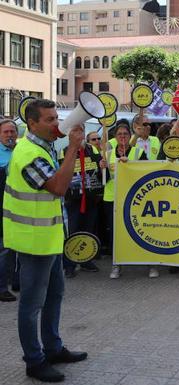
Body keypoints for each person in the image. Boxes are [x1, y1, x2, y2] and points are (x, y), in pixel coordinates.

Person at [3, 99, 87, 382]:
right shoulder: (28, 153)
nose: (56, 124)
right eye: (50, 120)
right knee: (31, 304)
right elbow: (59, 187)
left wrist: (68, 145)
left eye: (56, 118)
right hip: (34, 242)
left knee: (54, 296)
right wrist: (74, 147)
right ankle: (34, 361)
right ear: (32, 124)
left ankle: (52, 348)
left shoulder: (43, 146)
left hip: (48, 239)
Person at [58, 130, 108, 278]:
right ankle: (69, 265)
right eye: (76, 133)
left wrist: (102, 166)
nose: (79, 137)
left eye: (81, 133)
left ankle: (86, 260)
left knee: (88, 230)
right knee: (72, 232)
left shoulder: (92, 149)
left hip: (91, 199)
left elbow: (101, 171)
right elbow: (61, 172)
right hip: (73, 200)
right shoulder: (65, 151)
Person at [106, 123, 151, 279]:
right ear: (115, 137)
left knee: (142, 230)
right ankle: (116, 264)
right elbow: (102, 179)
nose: (123, 137)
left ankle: (149, 263)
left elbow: (147, 173)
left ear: (130, 135)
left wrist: (131, 166)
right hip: (113, 199)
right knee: (115, 233)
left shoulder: (138, 152)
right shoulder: (108, 154)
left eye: (125, 134)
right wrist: (102, 168)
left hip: (135, 199)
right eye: (119, 134)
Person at [0, 119, 18, 302]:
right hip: (2, 207)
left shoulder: (21, 151)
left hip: (18, 207)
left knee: (14, 247)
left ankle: (15, 281)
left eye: (12, 132)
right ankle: (2, 287)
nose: (10, 135)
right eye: (6, 132)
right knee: (4, 249)